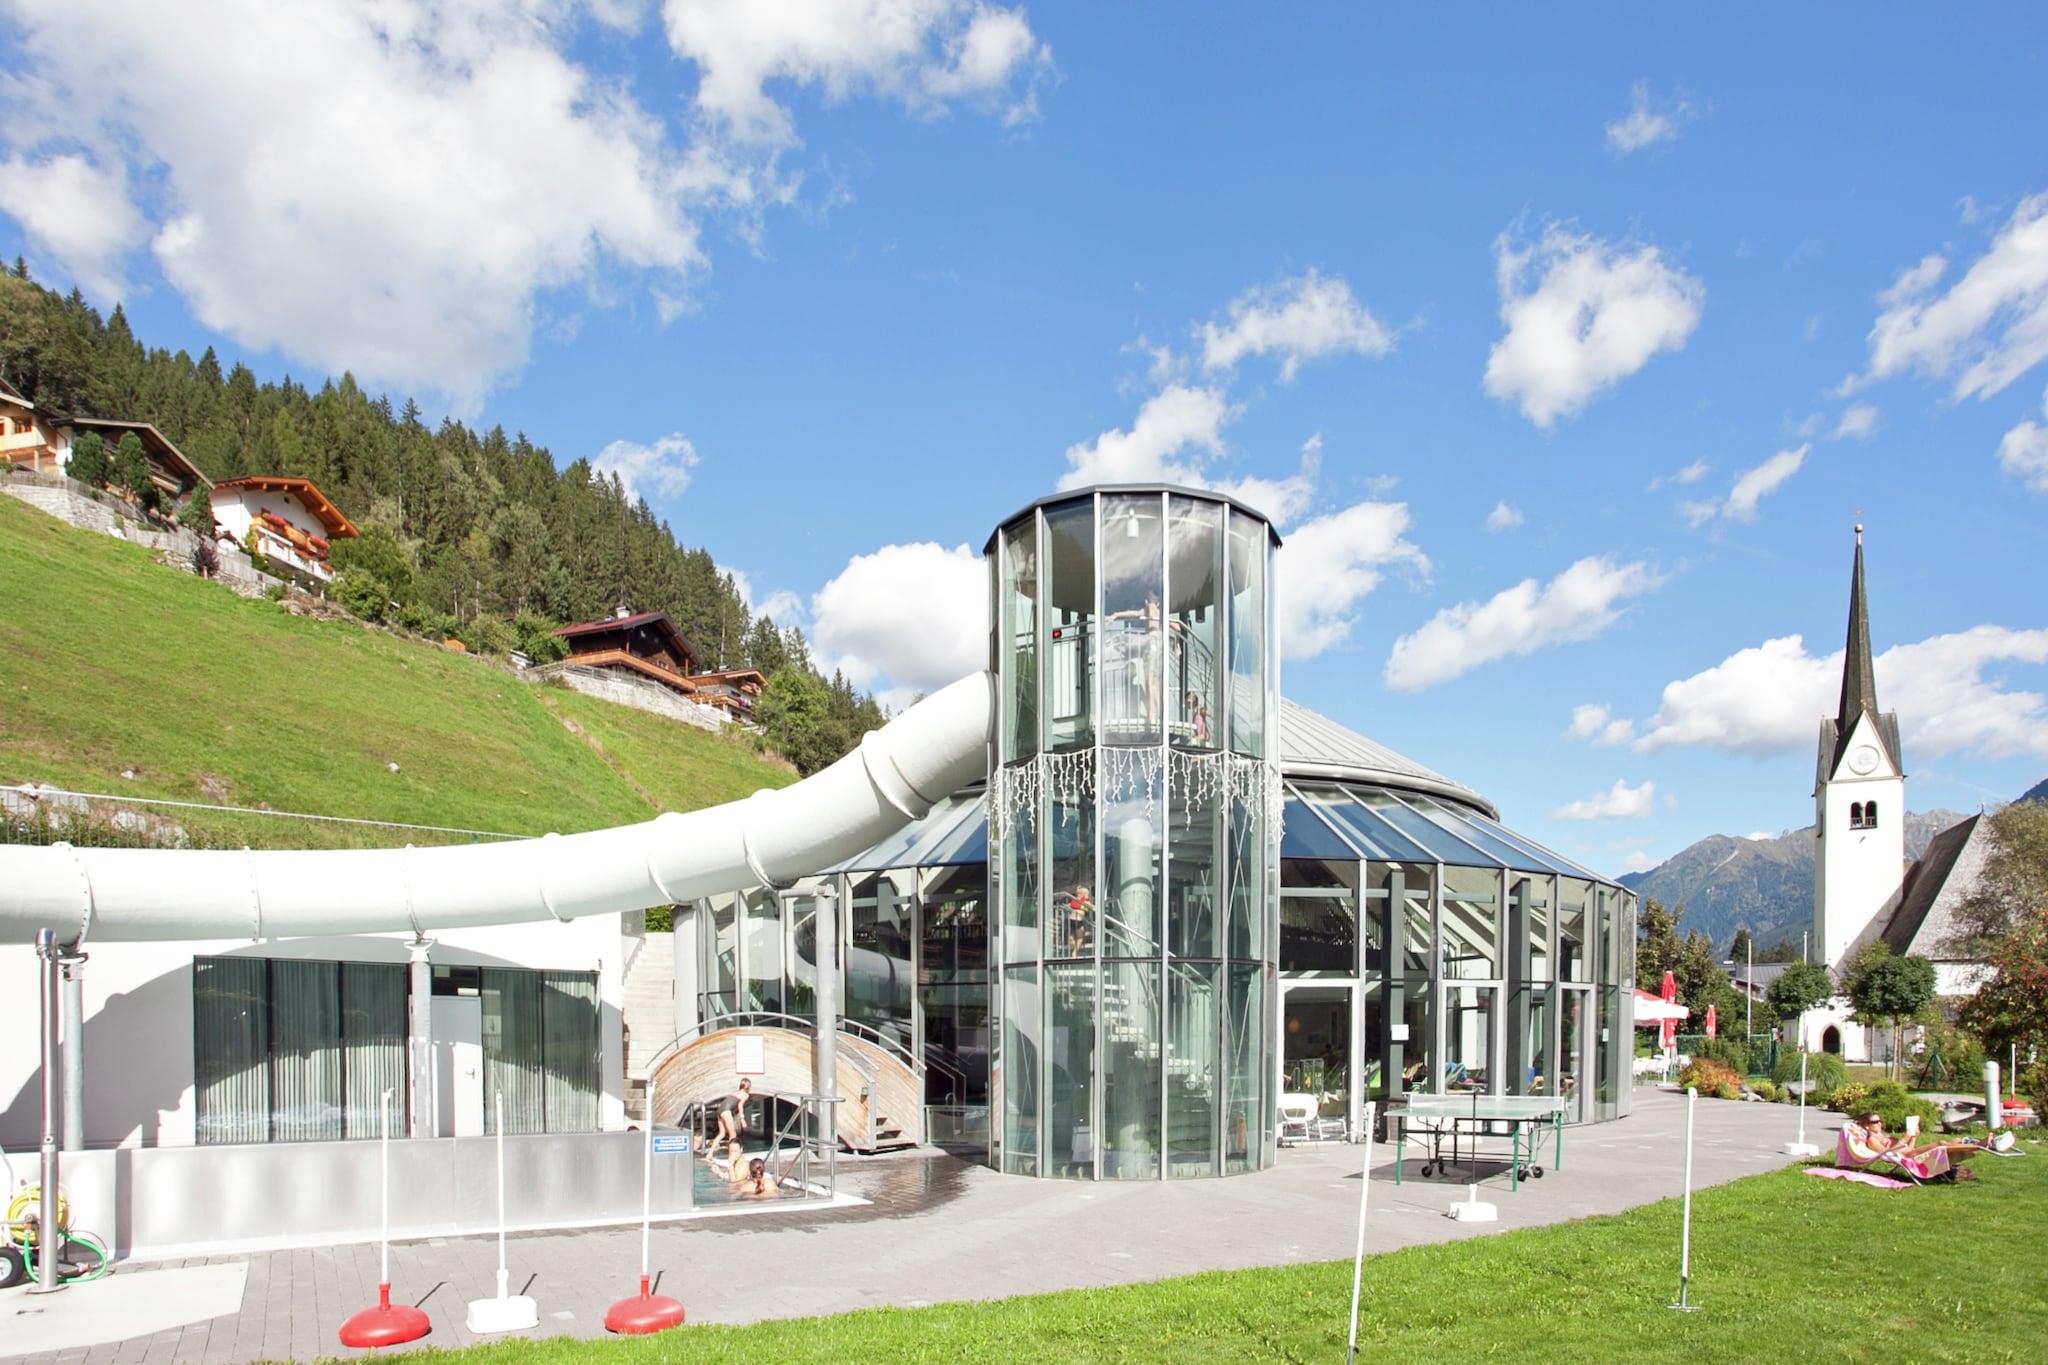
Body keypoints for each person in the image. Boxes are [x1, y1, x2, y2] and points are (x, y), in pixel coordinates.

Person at [710, 1078, 752, 1163]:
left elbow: (731, 1103)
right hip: (726, 1111)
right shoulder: (745, 1095)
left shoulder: (735, 1092)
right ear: (748, 1087)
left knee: (722, 1134)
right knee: (733, 1134)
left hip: (720, 1110)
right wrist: (742, 1119)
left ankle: (709, 1154)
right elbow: (740, 1106)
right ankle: (731, 1156)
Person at [1065, 885, 1092, 957]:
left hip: (1071, 919)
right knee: (1080, 938)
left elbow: (1067, 905)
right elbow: (1092, 907)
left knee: (1074, 935)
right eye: (1087, 894)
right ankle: (1074, 953)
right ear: (1083, 894)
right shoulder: (1085, 902)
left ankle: (1073, 945)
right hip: (1078, 920)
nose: (1088, 896)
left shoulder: (1075, 900)